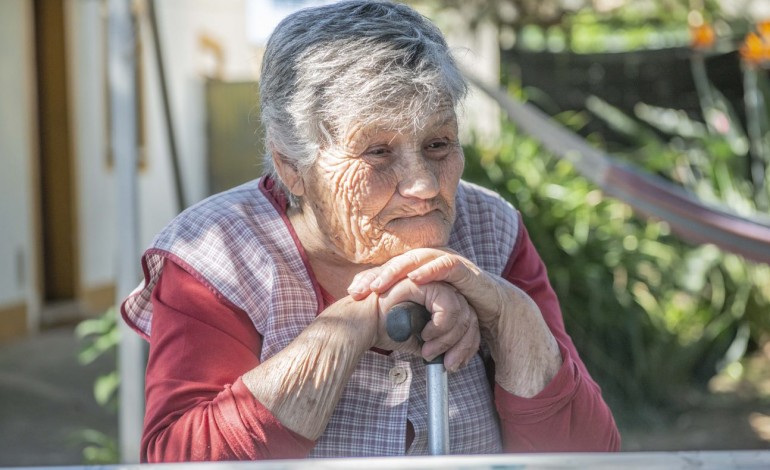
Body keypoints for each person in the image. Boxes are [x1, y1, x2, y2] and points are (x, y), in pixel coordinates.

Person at [122, 0, 620, 461]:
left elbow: (588, 459)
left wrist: (506, 312)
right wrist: (360, 319)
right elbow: (181, 461)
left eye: (439, 144)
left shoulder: (492, 228)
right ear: (291, 165)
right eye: (377, 152)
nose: (424, 184)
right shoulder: (217, 252)